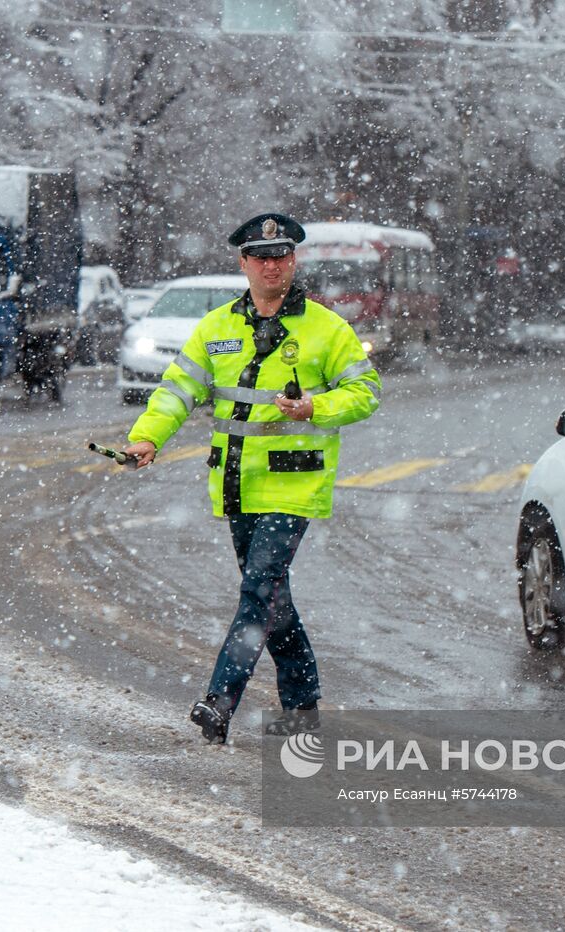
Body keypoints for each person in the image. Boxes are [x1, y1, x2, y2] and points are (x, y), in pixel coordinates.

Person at [122, 213, 381, 744]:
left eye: (281, 256)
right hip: (237, 484)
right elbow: (178, 391)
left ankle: (220, 698)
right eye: (261, 258)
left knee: (258, 592)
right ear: (243, 263)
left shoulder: (328, 328)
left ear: (294, 261)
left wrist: (314, 406)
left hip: (295, 485)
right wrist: (147, 436)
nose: (272, 265)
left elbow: (366, 392)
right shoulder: (216, 327)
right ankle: (303, 706)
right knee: (272, 599)